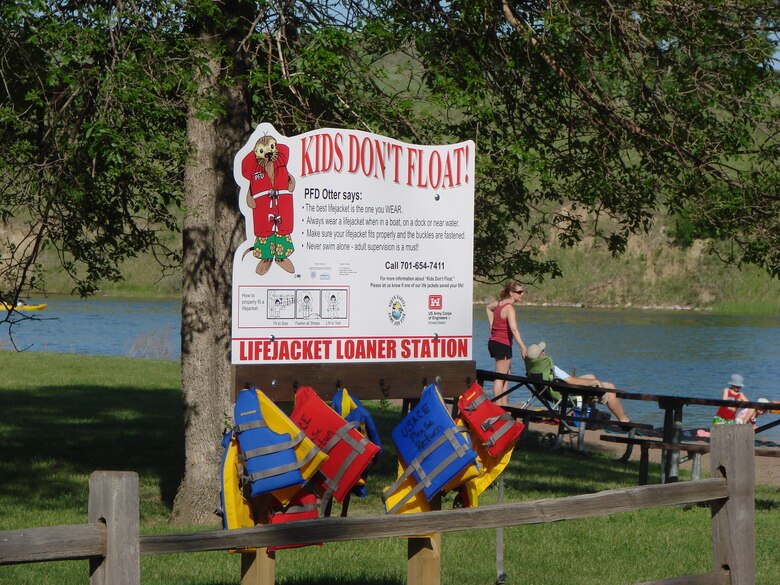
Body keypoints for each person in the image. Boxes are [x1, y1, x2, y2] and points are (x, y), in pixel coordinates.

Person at [524, 341, 631, 424]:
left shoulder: (533, 369)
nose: (545, 351)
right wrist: (595, 382)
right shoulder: (551, 369)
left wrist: (592, 380)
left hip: (552, 394)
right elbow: (571, 380)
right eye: (543, 350)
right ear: (542, 354)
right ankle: (623, 420)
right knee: (610, 388)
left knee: (590, 377)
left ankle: (587, 418)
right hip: (566, 396)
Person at [485, 282, 527, 406]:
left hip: (495, 343)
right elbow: (514, 329)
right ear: (511, 293)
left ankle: (504, 405)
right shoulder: (509, 308)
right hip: (501, 344)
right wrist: (523, 347)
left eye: (523, 292)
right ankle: (498, 408)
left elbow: (488, 307)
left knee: (506, 375)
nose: (522, 294)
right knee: (500, 377)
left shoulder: (498, 304)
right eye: (519, 292)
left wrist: (492, 324)